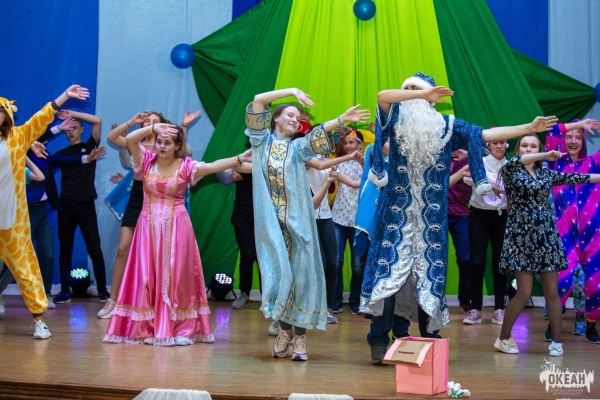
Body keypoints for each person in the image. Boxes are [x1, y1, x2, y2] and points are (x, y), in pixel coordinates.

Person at [362, 72, 558, 364]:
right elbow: (382, 96)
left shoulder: (447, 126)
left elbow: (485, 135)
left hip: (430, 222)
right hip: (394, 218)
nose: (412, 94)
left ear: (433, 99)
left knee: (428, 278)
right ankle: (379, 339)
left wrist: (528, 127)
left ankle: (429, 342)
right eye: (408, 89)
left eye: (418, 89)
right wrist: (421, 93)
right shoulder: (396, 121)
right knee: (388, 276)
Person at [246, 87, 370, 361]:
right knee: (281, 279)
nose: (294, 119)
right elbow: (258, 100)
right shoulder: (260, 141)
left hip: (299, 224)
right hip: (271, 227)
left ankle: (300, 336)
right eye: (289, 115)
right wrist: (292, 91)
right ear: (275, 118)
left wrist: (340, 119)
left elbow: (317, 135)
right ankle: (285, 331)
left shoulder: (298, 148)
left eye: (297, 117)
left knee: (301, 278)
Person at [104, 122, 248, 346]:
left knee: (177, 278)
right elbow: (130, 140)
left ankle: (182, 328)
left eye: (167, 143)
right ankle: (148, 327)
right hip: (148, 227)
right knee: (147, 277)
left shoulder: (186, 167)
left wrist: (238, 159)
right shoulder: (146, 161)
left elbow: (213, 166)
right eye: (159, 142)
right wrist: (153, 127)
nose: (161, 146)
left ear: (177, 146)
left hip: (177, 228)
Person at [494, 133, 600, 357]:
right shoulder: (510, 169)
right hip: (521, 238)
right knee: (523, 292)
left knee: (552, 291)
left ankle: (557, 342)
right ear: (518, 149)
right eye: (525, 145)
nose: (529, 149)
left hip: (546, 237)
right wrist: (543, 155)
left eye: (533, 146)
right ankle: (503, 338)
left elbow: (577, 178)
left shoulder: (545, 174)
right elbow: (518, 161)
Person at [0, 85, 89, 339]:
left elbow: (41, 119)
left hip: (12, 220)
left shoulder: (17, 137)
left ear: (6, 115)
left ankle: (39, 320)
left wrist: (65, 96)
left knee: (25, 269)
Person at [97, 110, 200, 319]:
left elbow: (183, 152)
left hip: (161, 199)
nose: (149, 124)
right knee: (123, 248)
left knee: (156, 254)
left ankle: (154, 302)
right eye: (146, 122)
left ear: (163, 126)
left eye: (154, 122)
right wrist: (131, 121)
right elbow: (112, 137)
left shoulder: (165, 146)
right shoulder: (138, 145)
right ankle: (113, 300)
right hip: (138, 196)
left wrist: (183, 127)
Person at [544, 118, 600, 343]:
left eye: (578, 137)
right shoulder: (555, 164)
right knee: (561, 283)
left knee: (595, 285)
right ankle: (554, 321)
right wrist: (577, 125)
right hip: (564, 235)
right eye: (569, 137)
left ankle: (591, 325)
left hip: (593, 235)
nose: (573, 141)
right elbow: (551, 132)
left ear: (584, 141)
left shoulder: (594, 163)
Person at [51, 110, 109, 304]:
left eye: (75, 128)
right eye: (68, 128)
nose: (71, 131)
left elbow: (98, 120)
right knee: (65, 249)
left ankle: (102, 290)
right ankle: (64, 290)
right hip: (66, 205)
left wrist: (72, 113)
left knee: (94, 248)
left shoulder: (89, 147)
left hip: (85, 204)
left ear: (82, 130)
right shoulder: (61, 155)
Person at [306, 142, 362, 323]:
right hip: (308, 218)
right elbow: (319, 165)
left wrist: (374, 177)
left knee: (332, 264)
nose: (323, 144)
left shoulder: (328, 164)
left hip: (326, 217)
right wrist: (349, 156)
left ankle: (327, 308)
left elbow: (353, 183)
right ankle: (312, 306)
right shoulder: (305, 159)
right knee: (320, 264)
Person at [463, 140, 509, 325]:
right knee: (476, 261)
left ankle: (499, 309)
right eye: (495, 143)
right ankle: (475, 309)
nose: (499, 146)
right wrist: (491, 184)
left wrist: (487, 181)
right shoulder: (479, 162)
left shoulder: (510, 165)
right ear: (488, 145)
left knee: (500, 263)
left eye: (502, 143)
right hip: (479, 215)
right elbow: (468, 178)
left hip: (502, 216)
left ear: (507, 145)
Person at [331, 130, 365, 315]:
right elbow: (351, 183)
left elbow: (377, 179)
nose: (349, 146)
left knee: (358, 264)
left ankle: (355, 302)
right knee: (336, 262)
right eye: (346, 143)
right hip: (338, 217)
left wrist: (364, 165)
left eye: (353, 142)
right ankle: (335, 302)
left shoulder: (369, 164)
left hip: (359, 220)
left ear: (360, 144)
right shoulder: (338, 163)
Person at [231, 154, 258, 311]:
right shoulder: (244, 160)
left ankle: (268, 296)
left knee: (263, 256)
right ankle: (244, 293)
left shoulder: (270, 160)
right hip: (242, 216)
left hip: (262, 217)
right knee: (247, 254)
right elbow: (236, 172)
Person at [447, 149, 473, 315]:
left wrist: (468, 155)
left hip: (461, 215)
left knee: (465, 259)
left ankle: (465, 300)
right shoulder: (437, 156)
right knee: (437, 260)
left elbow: (489, 153)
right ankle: (435, 301)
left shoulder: (468, 158)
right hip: (439, 215)